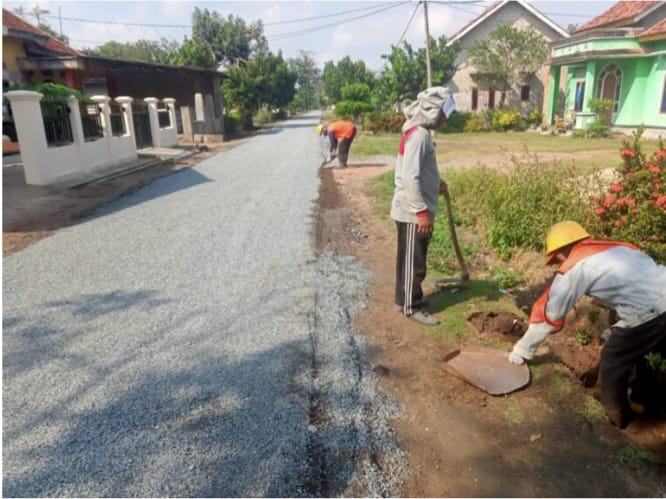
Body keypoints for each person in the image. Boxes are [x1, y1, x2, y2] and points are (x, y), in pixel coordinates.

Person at [509, 221, 666, 428]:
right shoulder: (619, 249)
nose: (559, 263)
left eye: (557, 259)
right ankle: (640, 402)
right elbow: (632, 290)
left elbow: (549, 314)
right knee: (645, 352)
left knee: (613, 359)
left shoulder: (575, 268)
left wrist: (522, 350)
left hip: (651, 311)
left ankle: (617, 418)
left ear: (561, 253)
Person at [390, 86, 456, 326]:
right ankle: (411, 306)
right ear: (431, 111)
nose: (445, 119)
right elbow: (409, 177)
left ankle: (405, 298)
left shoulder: (422, 134)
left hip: (416, 209)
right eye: (443, 112)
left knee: (410, 259)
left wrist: (437, 184)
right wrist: (421, 212)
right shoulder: (418, 135)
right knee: (414, 262)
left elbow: (421, 171)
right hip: (412, 212)